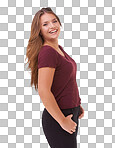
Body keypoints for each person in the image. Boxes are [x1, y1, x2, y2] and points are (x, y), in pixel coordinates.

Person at [25, 7, 84, 148]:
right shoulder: (48, 52)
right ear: (38, 30)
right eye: (45, 24)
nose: (52, 26)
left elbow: (65, 82)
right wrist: (62, 121)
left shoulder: (58, 48)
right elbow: (44, 91)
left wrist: (77, 104)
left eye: (54, 21)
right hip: (59, 117)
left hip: (70, 112)